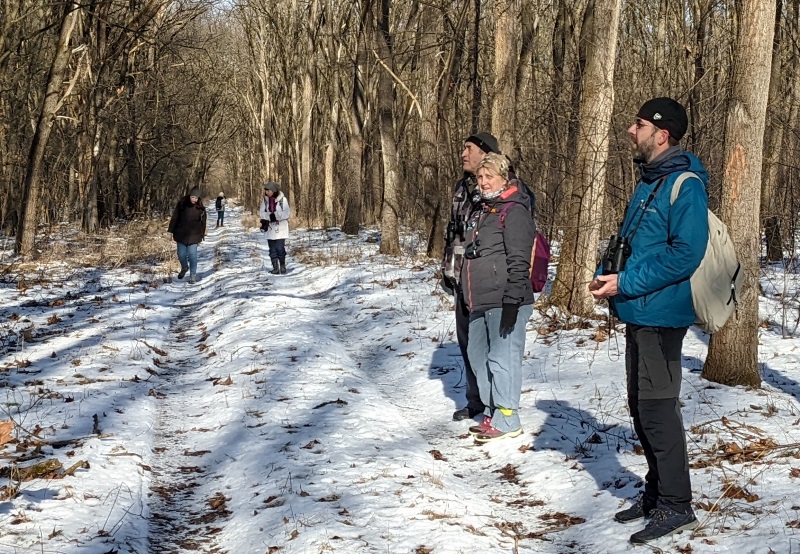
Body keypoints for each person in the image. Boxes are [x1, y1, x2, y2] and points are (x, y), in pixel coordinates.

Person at [589, 97, 708, 544]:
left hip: (661, 314)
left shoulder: (686, 185)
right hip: (639, 310)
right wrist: (611, 277)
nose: (628, 130)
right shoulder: (649, 183)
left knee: (658, 410)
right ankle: (658, 493)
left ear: (662, 134)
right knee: (641, 406)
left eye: (636, 125)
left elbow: (686, 254)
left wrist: (626, 282)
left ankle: (678, 505)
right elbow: (641, 246)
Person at [459, 153, 535, 443]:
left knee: (503, 358)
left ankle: (508, 417)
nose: (483, 182)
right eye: (480, 177)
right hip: (479, 299)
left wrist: (513, 300)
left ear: (504, 177)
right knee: (478, 358)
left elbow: (519, 260)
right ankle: (493, 411)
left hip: (505, 299)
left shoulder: (514, 210)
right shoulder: (482, 209)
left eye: (489, 176)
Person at [442, 132, 500, 422]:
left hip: (487, 280)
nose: (463, 154)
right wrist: (447, 269)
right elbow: (454, 231)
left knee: (490, 346)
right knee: (468, 344)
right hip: (461, 277)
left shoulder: (502, 187)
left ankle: (497, 406)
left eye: (469, 149)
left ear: (485, 153)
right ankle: (476, 401)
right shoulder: (462, 187)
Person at [167, 186, 207, 284]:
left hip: (194, 235)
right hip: (181, 234)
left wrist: (202, 234)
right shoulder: (181, 205)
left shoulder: (200, 209)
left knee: (193, 255)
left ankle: (193, 275)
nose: (194, 199)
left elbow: (203, 223)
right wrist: (170, 231)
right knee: (181, 254)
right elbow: (175, 217)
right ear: (190, 196)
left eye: (196, 198)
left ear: (199, 198)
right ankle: (184, 267)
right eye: (193, 197)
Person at [258, 182, 290, 275]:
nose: (266, 192)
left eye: (268, 190)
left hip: (281, 227)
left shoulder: (283, 200)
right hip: (270, 227)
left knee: (280, 248)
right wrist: (268, 217)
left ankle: (283, 266)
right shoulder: (265, 200)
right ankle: (275, 268)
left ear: (274, 190)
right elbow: (261, 212)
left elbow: (287, 213)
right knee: (272, 249)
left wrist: (276, 216)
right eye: (266, 190)